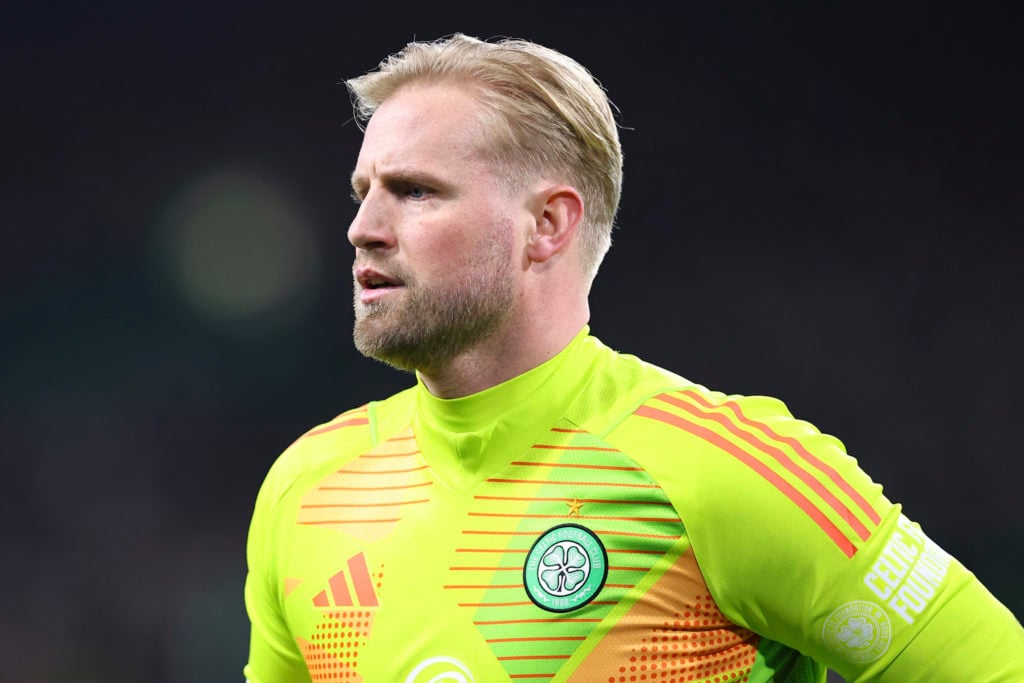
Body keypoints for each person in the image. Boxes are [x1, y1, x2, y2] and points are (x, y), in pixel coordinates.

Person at [243, 34, 1024, 682]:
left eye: (414, 191)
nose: (363, 227)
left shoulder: (724, 470)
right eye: (362, 190)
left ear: (547, 224)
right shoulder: (307, 490)